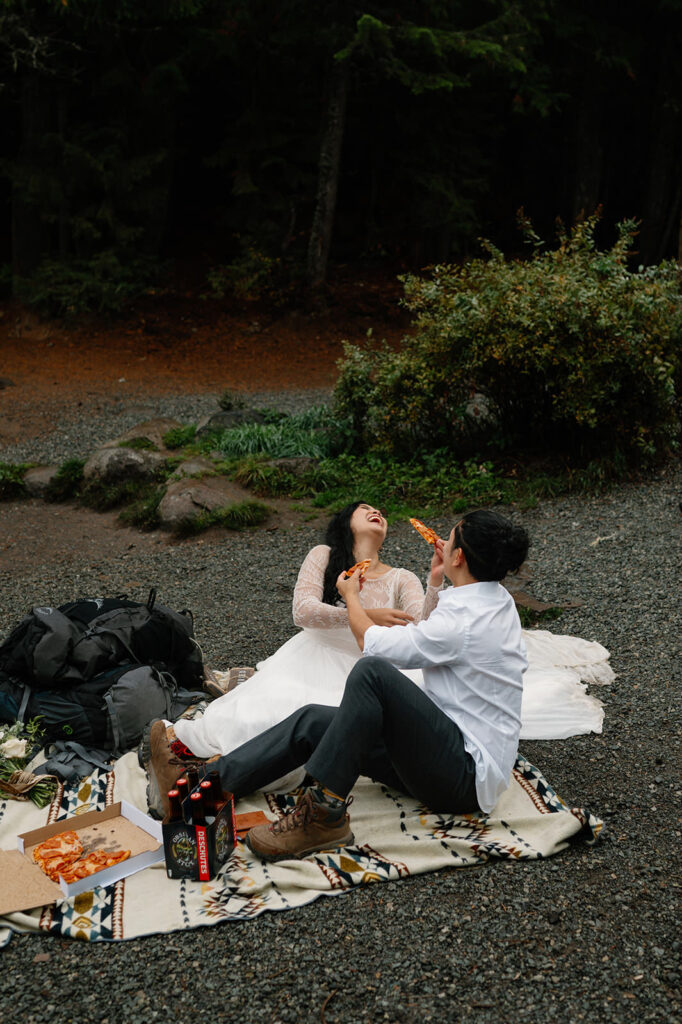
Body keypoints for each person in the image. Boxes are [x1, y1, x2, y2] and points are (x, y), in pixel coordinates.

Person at [144, 509, 530, 861]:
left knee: (372, 672)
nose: (441, 544)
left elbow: (373, 644)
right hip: (443, 751)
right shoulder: (490, 599)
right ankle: (206, 784)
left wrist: (351, 597)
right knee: (313, 719)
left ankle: (324, 814)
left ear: (459, 557)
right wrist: (437, 580)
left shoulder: (463, 618)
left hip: (462, 775)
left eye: (449, 541)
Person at [167, 501, 429, 790]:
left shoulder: (402, 577)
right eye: (364, 508)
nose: (377, 511)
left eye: (381, 510)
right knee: (264, 722)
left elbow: (419, 628)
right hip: (313, 660)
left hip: (369, 669)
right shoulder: (324, 555)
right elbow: (302, 611)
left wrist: (438, 581)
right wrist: (366, 616)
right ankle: (207, 770)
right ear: (345, 521)